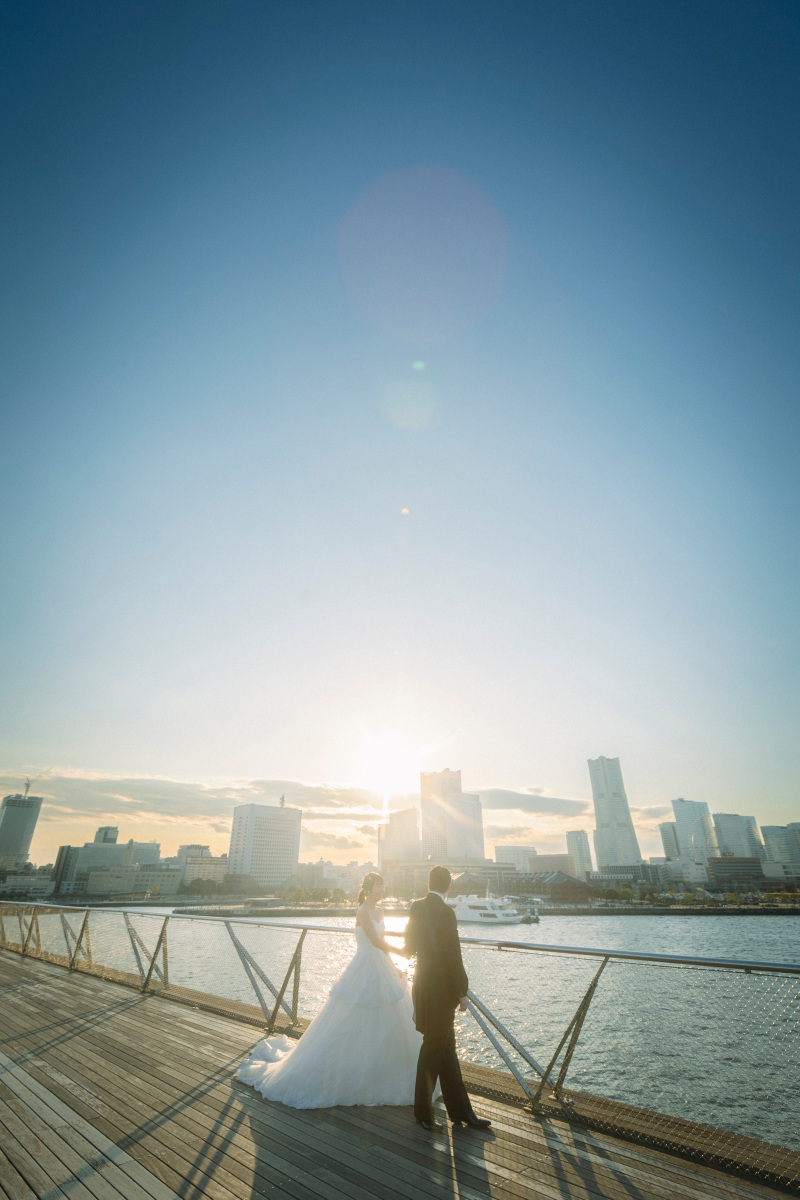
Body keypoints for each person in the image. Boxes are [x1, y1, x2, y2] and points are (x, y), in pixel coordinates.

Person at [236, 872, 424, 1107]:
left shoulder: (380, 911)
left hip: (382, 966)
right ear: (367, 888)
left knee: (390, 1017)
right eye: (378, 885)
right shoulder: (363, 911)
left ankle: (383, 1068)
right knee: (354, 1017)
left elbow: (381, 945)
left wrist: (395, 966)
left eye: (383, 885)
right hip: (365, 966)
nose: (382, 889)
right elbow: (375, 941)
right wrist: (401, 951)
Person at [403, 864, 492, 1131]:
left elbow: (409, 946)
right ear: (448, 887)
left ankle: (461, 1112)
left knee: (447, 1051)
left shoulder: (416, 906)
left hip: (422, 986)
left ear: (429, 884)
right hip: (441, 992)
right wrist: (462, 992)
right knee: (432, 1049)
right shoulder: (447, 913)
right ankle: (423, 1113)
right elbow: (454, 955)